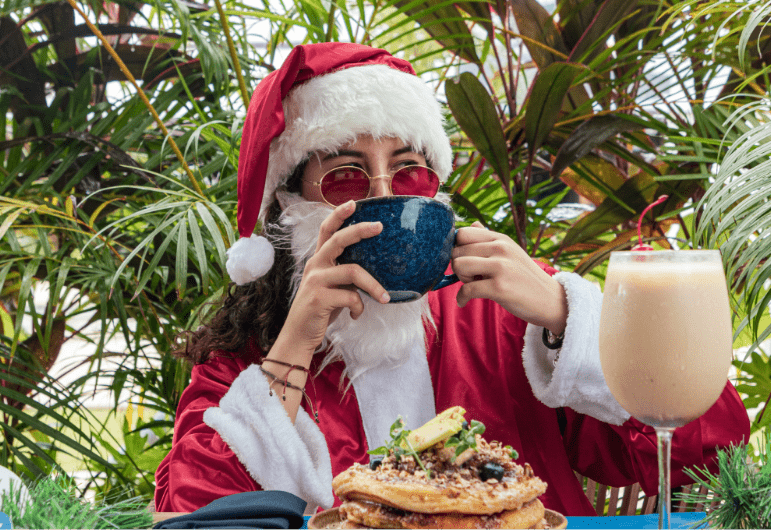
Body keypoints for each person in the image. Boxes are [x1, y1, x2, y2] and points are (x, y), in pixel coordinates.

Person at [154, 42, 750, 516]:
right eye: (345, 176)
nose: (384, 197)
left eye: (409, 172)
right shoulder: (249, 363)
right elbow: (196, 512)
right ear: (288, 208)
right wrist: (294, 346)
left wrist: (569, 316)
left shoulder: (507, 313)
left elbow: (711, 457)